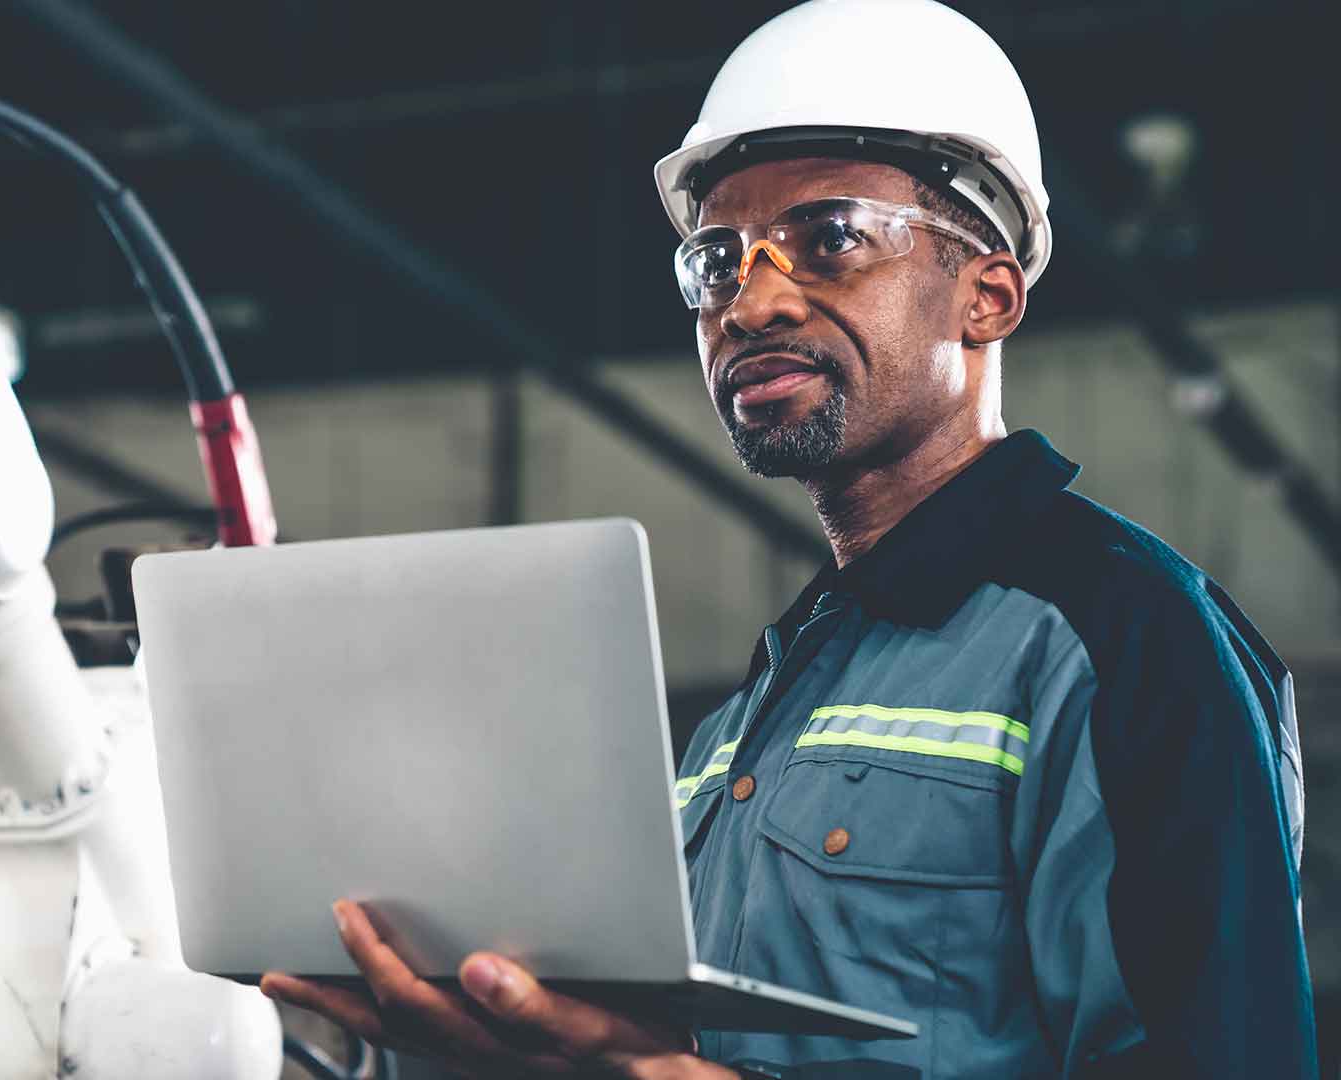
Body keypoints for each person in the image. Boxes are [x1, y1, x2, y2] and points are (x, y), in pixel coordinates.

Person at [260, 1, 1316, 1076]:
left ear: (987, 296)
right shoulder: (743, 723)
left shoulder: (1123, 636)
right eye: (718, 261)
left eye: (830, 241)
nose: (751, 303)